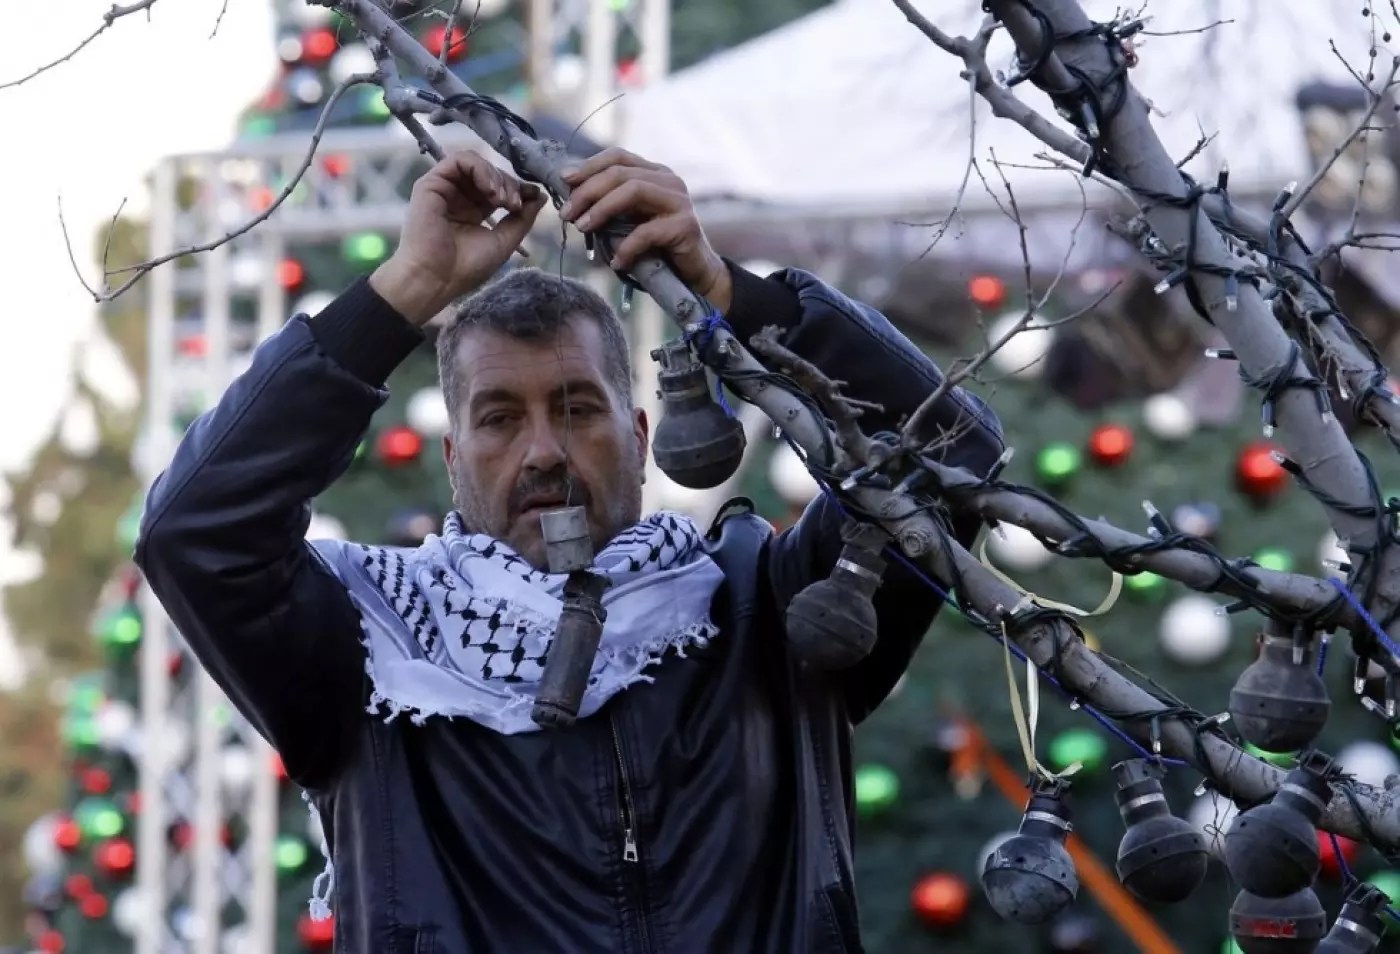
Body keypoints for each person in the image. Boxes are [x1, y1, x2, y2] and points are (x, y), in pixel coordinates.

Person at [135, 146, 1004, 953]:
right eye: (500, 419)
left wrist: (730, 295)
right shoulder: (369, 648)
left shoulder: (767, 610)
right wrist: (409, 286)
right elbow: (193, 532)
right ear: (452, 458)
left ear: (636, 434)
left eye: (578, 409)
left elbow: (949, 450)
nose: (543, 451)